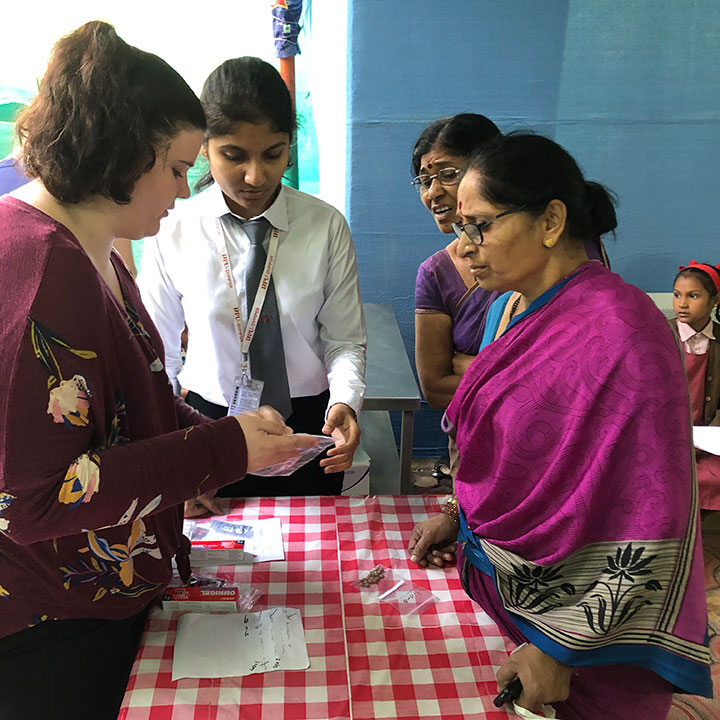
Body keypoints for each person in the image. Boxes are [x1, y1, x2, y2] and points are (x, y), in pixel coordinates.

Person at [0, 22, 313, 720]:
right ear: (120, 155)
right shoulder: (42, 267)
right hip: (52, 625)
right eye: (175, 168)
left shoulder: (99, 249)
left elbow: (136, 399)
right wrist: (222, 448)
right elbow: (35, 498)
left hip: (107, 591)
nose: (185, 187)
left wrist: (212, 443)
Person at [408, 133, 711, 718]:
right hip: (513, 601)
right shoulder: (507, 307)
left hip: (594, 641)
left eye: (480, 227)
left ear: (550, 220)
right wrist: (457, 513)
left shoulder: (627, 333)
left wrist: (564, 651)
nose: (463, 247)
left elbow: (656, 514)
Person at [139, 57, 366, 508]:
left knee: (314, 560)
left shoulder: (325, 227)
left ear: (290, 145)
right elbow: (156, 353)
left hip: (308, 422)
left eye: (273, 154)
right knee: (211, 567)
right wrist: (173, 456)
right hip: (207, 425)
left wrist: (345, 401)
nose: (255, 177)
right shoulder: (175, 227)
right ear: (204, 147)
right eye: (234, 155)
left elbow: (344, 340)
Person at [412, 114, 502, 412]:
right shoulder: (436, 273)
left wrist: (472, 367)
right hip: (473, 437)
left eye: (449, 174)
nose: (433, 192)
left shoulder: (547, 256)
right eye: (425, 181)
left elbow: (573, 374)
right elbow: (436, 389)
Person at [670, 260, 720, 511]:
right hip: (665, 437)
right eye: (677, 295)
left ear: (714, 301)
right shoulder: (659, 335)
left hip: (709, 441)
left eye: (693, 296)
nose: (682, 303)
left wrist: (707, 438)